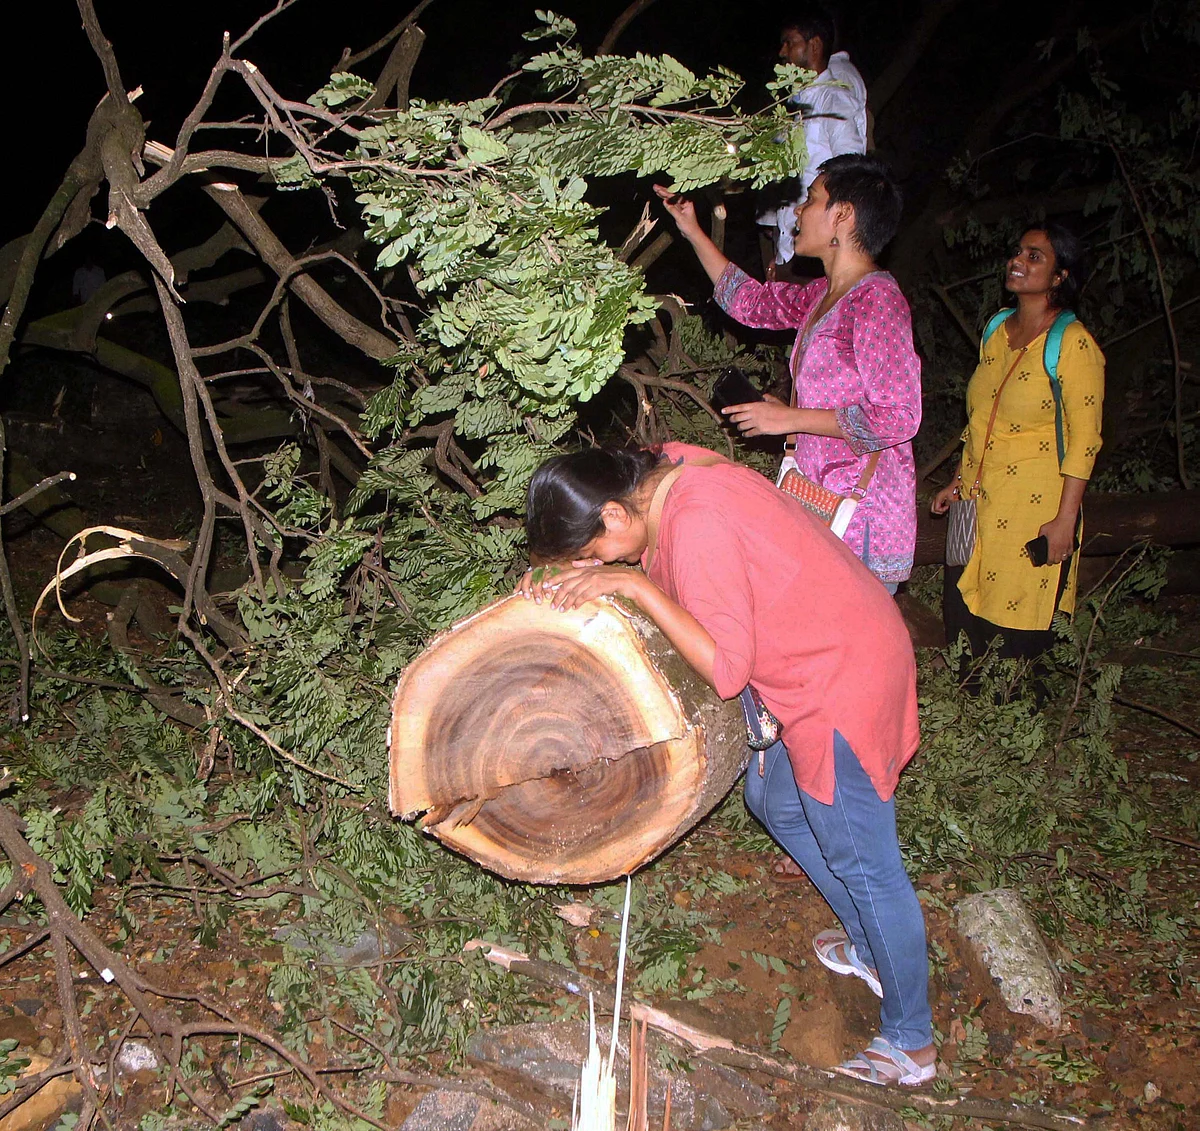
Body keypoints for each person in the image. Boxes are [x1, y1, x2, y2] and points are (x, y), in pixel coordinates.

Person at [519, 441, 935, 1086]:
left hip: (840, 678)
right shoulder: (670, 475)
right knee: (775, 804)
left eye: (590, 552)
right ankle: (872, 948)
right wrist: (567, 581)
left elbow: (725, 668)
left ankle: (912, 1042)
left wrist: (627, 580)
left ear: (612, 515)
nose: (594, 565)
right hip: (829, 644)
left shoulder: (696, 523)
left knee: (864, 859)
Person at [654, 153, 921, 591]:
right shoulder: (826, 294)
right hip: (817, 503)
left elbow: (899, 416)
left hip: (861, 519)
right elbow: (751, 304)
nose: (797, 212)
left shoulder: (877, 301)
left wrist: (789, 419)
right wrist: (691, 229)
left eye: (811, 200)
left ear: (842, 215)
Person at [931, 224, 1105, 668]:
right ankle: (969, 718)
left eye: (1035, 256)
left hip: (1033, 507)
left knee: (1018, 627)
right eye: (1017, 253)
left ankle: (1019, 722)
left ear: (1060, 275)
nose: (1018, 262)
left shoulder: (1073, 343)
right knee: (963, 615)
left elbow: (1085, 440)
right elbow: (982, 416)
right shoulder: (995, 330)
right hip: (976, 498)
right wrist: (956, 479)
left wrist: (1065, 521)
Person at [758, 7, 868, 269]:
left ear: (815, 46)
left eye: (790, 43)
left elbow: (852, 174)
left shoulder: (834, 101)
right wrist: (781, 252)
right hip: (792, 246)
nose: (783, 52)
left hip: (820, 253)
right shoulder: (797, 104)